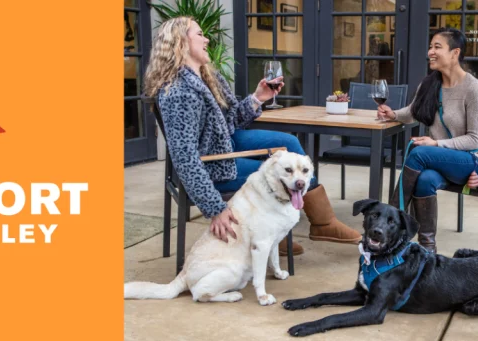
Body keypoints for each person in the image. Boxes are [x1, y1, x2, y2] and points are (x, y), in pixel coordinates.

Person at [143, 17, 361, 256]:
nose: (206, 39)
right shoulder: (179, 94)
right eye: (199, 34)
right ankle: (271, 233)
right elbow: (185, 159)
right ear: (180, 43)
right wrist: (215, 208)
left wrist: (258, 98)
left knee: (288, 145)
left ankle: (322, 223)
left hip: (224, 144)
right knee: (276, 175)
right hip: (211, 166)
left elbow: (232, 120)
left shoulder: (207, 77)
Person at [377, 27, 478, 253]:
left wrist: (436, 144)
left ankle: (390, 221)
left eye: (437, 47)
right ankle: (427, 251)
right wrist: (393, 114)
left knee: (419, 152)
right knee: (424, 180)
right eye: (430, 47)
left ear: (455, 53)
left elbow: (475, 139)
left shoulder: (473, 89)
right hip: (447, 160)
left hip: (477, 161)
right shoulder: (430, 83)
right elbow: (412, 111)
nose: (430, 51)